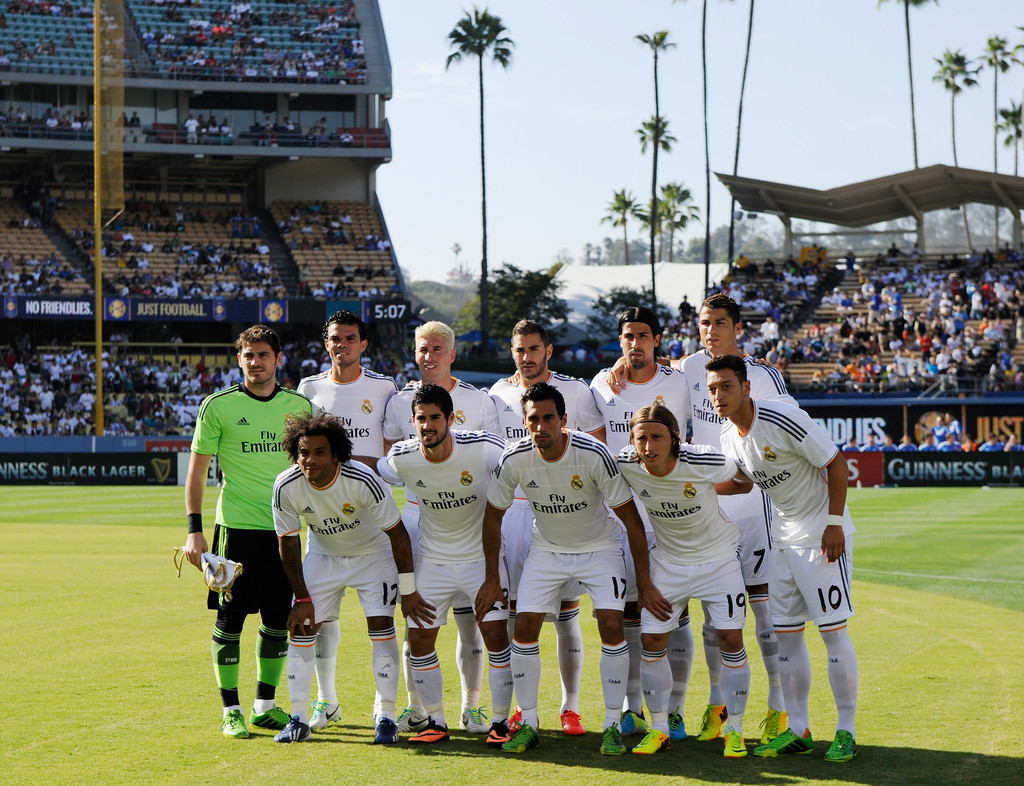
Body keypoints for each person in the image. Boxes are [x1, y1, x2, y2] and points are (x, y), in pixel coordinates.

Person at [607, 293, 793, 746]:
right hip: (704, 502)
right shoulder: (687, 370)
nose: (712, 330)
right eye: (706, 322)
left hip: (752, 503)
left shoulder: (763, 374)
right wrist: (622, 365)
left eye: (721, 323)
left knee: (763, 613)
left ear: (737, 328)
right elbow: (648, 374)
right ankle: (716, 704)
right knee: (709, 619)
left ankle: (779, 709)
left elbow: (785, 426)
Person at [476, 382, 668, 756]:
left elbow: (631, 520)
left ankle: (612, 724)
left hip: (600, 548)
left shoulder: (592, 453)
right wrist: (490, 578)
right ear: (524, 421)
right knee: (526, 625)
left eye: (549, 418)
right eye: (534, 419)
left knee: (611, 624)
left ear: (565, 420)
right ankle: (529, 722)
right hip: (547, 549)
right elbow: (492, 517)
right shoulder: (513, 458)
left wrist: (643, 582)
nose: (541, 426)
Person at [706, 354, 859, 763]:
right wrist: (691, 489)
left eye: (726, 386)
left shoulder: (781, 418)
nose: (718, 395)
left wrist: (834, 523)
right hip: (783, 542)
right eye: (712, 389)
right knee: (786, 638)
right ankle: (798, 729)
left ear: (746, 388)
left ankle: (847, 730)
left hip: (822, 538)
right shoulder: (727, 437)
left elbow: (836, 464)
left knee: (832, 633)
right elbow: (739, 484)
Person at [181, 324, 315, 739]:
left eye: (263, 355)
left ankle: (264, 706)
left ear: (278, 360)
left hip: (285, 531)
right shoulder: (217, 406)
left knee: (278, 619)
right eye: (248, 355)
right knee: (230, 619)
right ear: (239, 359)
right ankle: (230, 710)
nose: (255, 362)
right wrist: (194, 531)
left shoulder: (299, 407)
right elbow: (198, 472)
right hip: (234, 531)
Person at [270, 411, 432, 744]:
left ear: (337, 455)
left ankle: (385, 715)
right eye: (303, 453)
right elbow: (288, 541)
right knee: (301, 628)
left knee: (381, 628)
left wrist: (409, 590)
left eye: (319, 453)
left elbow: (398, 535)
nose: (310, 460)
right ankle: (298, 718)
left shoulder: (363, 479)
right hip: (324, 555)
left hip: (373, 556)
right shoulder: (286, 485)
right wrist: (301, 598)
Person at [377, 384, 513, 746]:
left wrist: (492, 576)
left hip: (481, 562)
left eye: (435, 417)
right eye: (421, 418)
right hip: (433, 561)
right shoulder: (403, 457)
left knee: (497, 637)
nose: (427, 425)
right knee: (419, 639)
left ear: (451, 419)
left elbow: (518, 463)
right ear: (412, 421)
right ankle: (436, 720)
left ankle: (500, 721)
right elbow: (375, 470)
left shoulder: (483, 447)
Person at [488, 319, 605, 736]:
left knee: (567, 612)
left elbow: (598, 447)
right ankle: (524, 707)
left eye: (534, 349)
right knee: (520, 614)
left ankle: (570, 707)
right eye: (520, 350)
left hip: (564, 509)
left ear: (548, 350)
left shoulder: (575, 390)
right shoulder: (497, 393)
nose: (527, 357)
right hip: (514, 511)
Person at [617, 404, 754, 758]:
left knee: (730, 639)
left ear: (675, 438)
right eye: (641, 438)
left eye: (657, 437)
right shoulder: (626, 464)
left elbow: (744, 477)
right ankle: (660, 727)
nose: (648, 446)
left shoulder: (703, 460)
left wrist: (714, 488)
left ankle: (735, 729)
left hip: (718, 560)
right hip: (669, 563)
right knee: (651, 639)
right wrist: (644, 583)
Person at [591, 306, 693, 740]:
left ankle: (675, 709)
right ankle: (633, 707)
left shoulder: (679, 381)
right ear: (621, 341)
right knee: (630, 611)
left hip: (671, 515)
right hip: (621, 516)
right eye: (628, 336)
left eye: (643, 336)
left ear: (657, 341)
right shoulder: (600, 384)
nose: (635, 344)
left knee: (676, 613)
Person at [295, 310, 398, 731]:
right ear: (326, 344)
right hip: (323, 525)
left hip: (373, 522)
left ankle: (384, 708)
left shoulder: (384, 387)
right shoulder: (309, 388)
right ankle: (326, 702)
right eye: (336, 339)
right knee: (321, 620)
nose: (343, 345)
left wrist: (358, 468)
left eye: (351, 338)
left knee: (382, 622)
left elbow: (392, 453)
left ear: (364, 344)